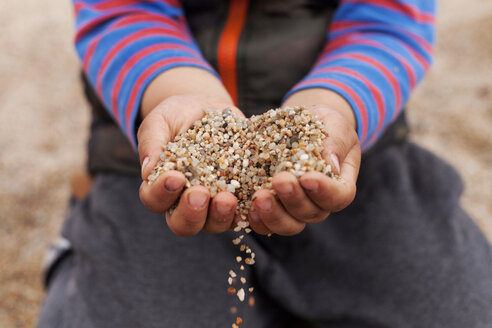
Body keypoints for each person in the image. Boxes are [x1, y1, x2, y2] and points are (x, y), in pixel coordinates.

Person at [38, 0, 492, 327]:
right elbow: (123, 13)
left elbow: (388, 24)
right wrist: (174, 91)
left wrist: (332, 108)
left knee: (461, 309)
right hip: (156, 147)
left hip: (350, 144)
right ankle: (81, 242)